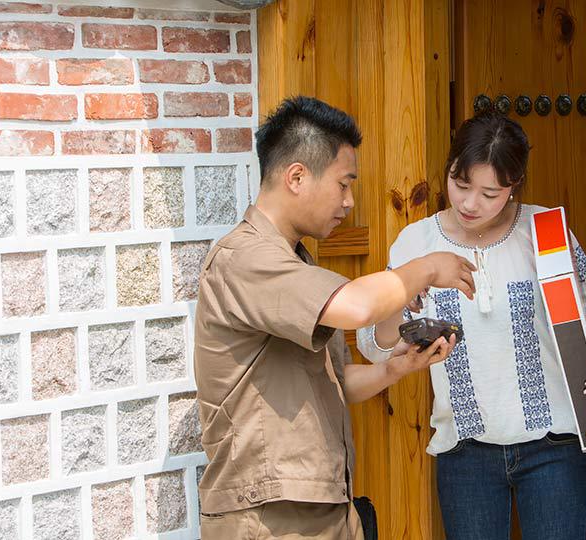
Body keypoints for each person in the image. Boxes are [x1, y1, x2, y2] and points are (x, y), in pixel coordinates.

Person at [193, 96, 475, 540]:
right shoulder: (244, 258)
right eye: (344, 184)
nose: (348, 201)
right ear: (297, 177)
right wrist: (426, 267)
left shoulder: (294, 263)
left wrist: (394, 368)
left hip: (321, 511)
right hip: (270, 520)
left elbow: (337, 383)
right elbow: (358, 307)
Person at [356, 112, 586, 539]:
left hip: (554, 443)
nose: (469, 203)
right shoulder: (417, 242)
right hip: (465, 449)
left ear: (513, 186)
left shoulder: (545, 233)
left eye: (490, 193)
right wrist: (405, 291)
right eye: (460, 184)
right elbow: (374, 343)